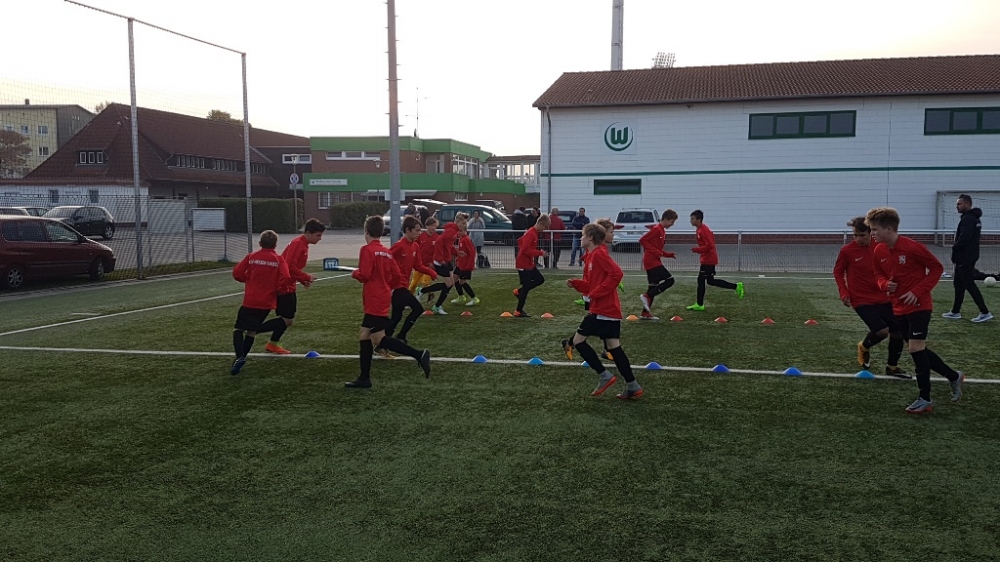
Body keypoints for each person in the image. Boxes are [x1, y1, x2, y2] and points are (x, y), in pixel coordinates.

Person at [866, 207, 963, 414]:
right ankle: (953, 376)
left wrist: (917, 291)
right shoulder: (879, 250)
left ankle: (925, 398)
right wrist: (885, 285)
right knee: (918, 349)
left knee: (915, 348)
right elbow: (878, 275)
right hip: (898, 307)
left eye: (874, 229)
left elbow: (936, 268)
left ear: (889, 229)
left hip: (920, 306)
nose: (872, 233)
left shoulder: (912, 248)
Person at [346, 215, 431, 388]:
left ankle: (417, 355)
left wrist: (355, 273)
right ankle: (365, 377)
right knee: (371, 336)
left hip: (374, 298)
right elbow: (397, 275)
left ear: (366, 231)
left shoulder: (367, 249)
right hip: (383, 296)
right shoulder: (386, 251)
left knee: (372, 336)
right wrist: (387, 286)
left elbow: (364, 275)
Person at [563, 223, 644, 400]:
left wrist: (595, 294)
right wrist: (576, 284)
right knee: (614, 348)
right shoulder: (592, 256)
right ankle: (633, 386)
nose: (581, 238)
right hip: (607, 310)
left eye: (583, 235)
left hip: (603, 309)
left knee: (577, 341)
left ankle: (604, 375)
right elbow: (592, 284)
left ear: (590, 237)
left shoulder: (599, 254)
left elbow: (617, 274)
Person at [834, 217, 908, 378]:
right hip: (861, 299)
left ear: (871, 233)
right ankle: (864, 346)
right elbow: (838, 272)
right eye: (855, 235)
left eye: (862, 235)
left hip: (884, 296)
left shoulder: (882, 247)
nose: (858, 239)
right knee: (882, 331)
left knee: (898, 331)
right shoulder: (847, 251)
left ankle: (892, 367)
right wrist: (844, 292)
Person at [230, 230, 292, 375]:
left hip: (250, 300)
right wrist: (279, 289)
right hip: (267, 302)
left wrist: (247, 280)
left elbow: (237, 273)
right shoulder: (278, 259)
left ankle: (239, 357)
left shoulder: (252, 257)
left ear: (260, 243)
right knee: (251, 331)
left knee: (238, 329)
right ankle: (241, 359)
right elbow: (286, 277)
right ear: (275, 245)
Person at [264, 218, 326, 355]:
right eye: (318, 235)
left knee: (287, 318)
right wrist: (306, 277)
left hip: (288, 284)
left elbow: (292, 267)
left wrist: (302, 280)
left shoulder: (302, 244)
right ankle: (253, 330)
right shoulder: (298, 244)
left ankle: (272, 343)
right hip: (283, 285)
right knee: (287, 319)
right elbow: (288, 266)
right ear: (308, 233)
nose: (320, 238)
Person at [384, 215, 438, 347]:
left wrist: (430, 272)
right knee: (417, 309)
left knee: (396, 317)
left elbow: (418, 266)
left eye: (420, 230)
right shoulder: (399, 246)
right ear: (408, 230)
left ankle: (382, 344)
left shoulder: (415, 246)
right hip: (397, 287)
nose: (419, 233)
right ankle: (401, 336)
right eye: (417, 230)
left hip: (403, 286)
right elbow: (385, 259)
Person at [944, 194, 992, 323]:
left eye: (959, 204)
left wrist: (955, 247)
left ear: (967, 204)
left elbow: (965, 237)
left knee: (969, 283)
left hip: (965, 257)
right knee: (958, 284)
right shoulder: (973, 219)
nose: (957, 206)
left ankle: (984, 312)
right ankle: (955, 311)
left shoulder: (968, 219)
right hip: (968, 256)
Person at [687, 210, 744, 310]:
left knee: (701, 280)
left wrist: (697, 250)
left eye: (692, 219)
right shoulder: (700, 229)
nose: (690, 221)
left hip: (708, 260)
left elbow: (710, 245)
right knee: (710, 281)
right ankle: (736, 286)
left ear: (699, 219)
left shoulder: (703, 230)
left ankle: (700, 304)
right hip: (707, 258)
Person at [419, 212, 469, 314]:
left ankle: (435, 304)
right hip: (441, 261)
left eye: (465, 223)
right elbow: (438, 241)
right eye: (463, 223)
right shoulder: (451, 231)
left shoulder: (454, 231)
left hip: (446, 260)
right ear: (457, 222)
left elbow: (448, 245)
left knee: (450, 284)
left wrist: (456, 252)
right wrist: (439, 258)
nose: (464, 226)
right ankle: (424, 293)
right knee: (448, 284)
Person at [639, 209, 678, 320]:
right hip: (651, 261)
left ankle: (645, 313)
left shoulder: (662, 230)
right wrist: (656, 252)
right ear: (665, 219)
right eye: (672, 222)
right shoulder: (657, 229)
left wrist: (668, 255)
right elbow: (642, 240)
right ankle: (647, 296)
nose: (672, 224)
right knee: (670, 280)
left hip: (654, 260)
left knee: (653, 286)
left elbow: (657, 249)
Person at [513, 213, 549, 317]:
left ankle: (518, 292)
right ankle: (518, 311)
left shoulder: (532, 232)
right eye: (545, 227)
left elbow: (520, 241)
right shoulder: (531, 233)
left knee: (539, 280)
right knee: (526, 286)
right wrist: (540, 253)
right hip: (523, 264)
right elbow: (525, 250)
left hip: (528, 263)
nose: (545, 229)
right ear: (541, 224)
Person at [410, 216, 439, 303]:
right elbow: (413, 247)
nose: (433, 228)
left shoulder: (437, 238)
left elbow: (438, 252)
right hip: (419, 265)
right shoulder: (421, 236)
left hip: (429, 266)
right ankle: (409, 300)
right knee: (413, 285)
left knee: (425, 283)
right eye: (431, 226)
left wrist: (434, 263)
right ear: (427, 226)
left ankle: (418, 298)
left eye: (435, 226)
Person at [451, 225, 480, 306]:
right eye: (458, 231)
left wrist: (470, 265)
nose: (458, 233)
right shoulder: (461, 239)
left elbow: (472, 252)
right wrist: (458, 258)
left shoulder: (466, 239)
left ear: (465, 231)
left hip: (465, 265)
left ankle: (474, 298)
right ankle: (461, 296)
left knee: (462, 282)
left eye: (460, 231)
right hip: (460, 264)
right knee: (454, 278)